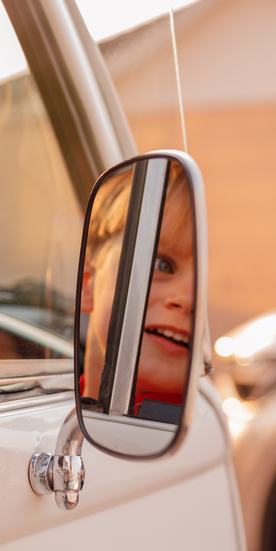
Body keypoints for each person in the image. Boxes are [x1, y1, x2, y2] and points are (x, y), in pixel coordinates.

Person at [79, 161, 195, 421]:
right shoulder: (56, 402)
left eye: (204, 284)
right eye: (162, 264)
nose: (188, 299)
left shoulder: (197, 430)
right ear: (87, 283)